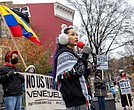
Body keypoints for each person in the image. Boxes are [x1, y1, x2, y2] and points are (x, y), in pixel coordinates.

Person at [52, 24, 92, 110]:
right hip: (74, 100)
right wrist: (84, 56)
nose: (76, 37)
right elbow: (76, 72)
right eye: (72, 34)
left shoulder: (73, 54)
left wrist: (88, 70)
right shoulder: (64, 54)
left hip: (80, 98)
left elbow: (80, 72)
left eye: (77, 34)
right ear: (64, 38)